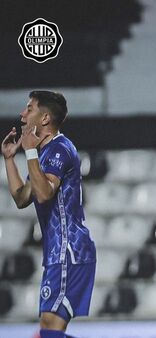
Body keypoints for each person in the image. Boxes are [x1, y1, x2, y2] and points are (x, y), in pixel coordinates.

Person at [1, 91, 96, 338]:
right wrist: (10, 159)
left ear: (44, 119)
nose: (22, 114)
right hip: (59, 251)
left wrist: (30, 152)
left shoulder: (59, 149)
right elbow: (23, 197)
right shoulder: (45, 153)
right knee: (48, 330)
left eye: (29, 108)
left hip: (68, 250)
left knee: (50, 328)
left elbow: (43, 194)